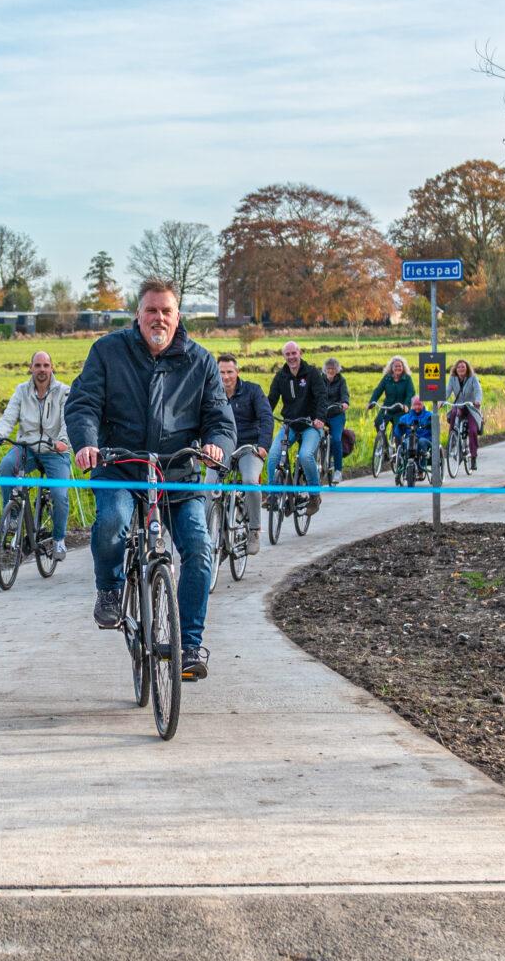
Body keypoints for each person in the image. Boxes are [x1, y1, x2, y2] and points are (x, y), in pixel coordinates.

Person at [68, 279, 234, 679]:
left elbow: (219, 418)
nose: (158, 317)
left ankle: (190, 645)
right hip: (120, 465)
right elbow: (84, 403)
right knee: (110, 523)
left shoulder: (200, 360)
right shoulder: (108, 352)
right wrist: (87, 444)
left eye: (166, 311)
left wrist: (215, 445)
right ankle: (109, 589)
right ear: (137, 315)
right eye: (151, 310)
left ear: (178, 317)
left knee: (198, 547)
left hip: (178, 470)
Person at [0, 349, 70, 561]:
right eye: (38, 365)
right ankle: (13, 517)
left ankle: (59, 539)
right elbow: (9, 416)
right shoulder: (21, 391)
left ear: (51, 368)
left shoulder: (63, 392)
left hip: (54, 449)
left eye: (46, 365)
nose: (42, 370)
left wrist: (63, 442)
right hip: (28, 447)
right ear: (31, 368)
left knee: (60, 495)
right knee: (6, 467)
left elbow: (67, 420)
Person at [217, 354, 270, 550]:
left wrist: (263, 445)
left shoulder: (253, 391)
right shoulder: (211, 393)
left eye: (229, 372)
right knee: (208, 485)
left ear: (237, 372)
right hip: (222, 448)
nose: (226, 376)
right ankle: (211, 530)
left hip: (249, 447)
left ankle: (254, 530)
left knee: (249, 481)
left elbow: (266, 417)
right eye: (221, 372)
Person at [263, 341, 324, 499]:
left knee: (305, 455)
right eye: (287, 354)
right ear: (284, 356)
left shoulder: (312, 373)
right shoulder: (281, 376)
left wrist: (320, 418)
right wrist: (262, 415)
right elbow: (271, 399)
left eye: (293, 353)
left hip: (310, 424)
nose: (291, 357)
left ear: (300, 353)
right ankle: (274, 495)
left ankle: (314, 493)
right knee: (274, 456)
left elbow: (322, 396)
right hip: (289, 425)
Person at [367, 355, 414, 457]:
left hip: (400, 409)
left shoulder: (407, 379)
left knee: (398, 430)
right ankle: (385, 447)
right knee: (378, 422)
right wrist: (372, 402)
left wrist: (406, 405)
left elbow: (410, 393)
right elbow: (378, 390)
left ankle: (399, 454)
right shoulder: (387, 378)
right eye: (395, 366)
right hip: (387, 408)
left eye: (400, 366)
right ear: (391, 368)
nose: (398, 368)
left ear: (403, 367)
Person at [443, 357, 483, 463]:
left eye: (463, 367)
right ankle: (452, 441)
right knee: (453, 415)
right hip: (459, 405)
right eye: (459, 367)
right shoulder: (452, 379)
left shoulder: (473, 378)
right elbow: (447, 391)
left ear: (467, 368)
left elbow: (478, 390)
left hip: (471, 406)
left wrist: (477, 401)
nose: (461, 368)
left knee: (473, 430)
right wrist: (441, 401)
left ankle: (473, 455)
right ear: (455, 369)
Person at [319, 356, 351, 483]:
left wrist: (344, 403)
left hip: (336, 414)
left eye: (333, 368)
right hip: (322, 414)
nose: (330, 371)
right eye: (328, 368)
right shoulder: (320, 380)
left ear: (337, 370)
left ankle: (338, 470)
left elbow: (345, 394)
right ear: (325, 369)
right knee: (315, 437)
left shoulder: (341, 381)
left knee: (336, 439)